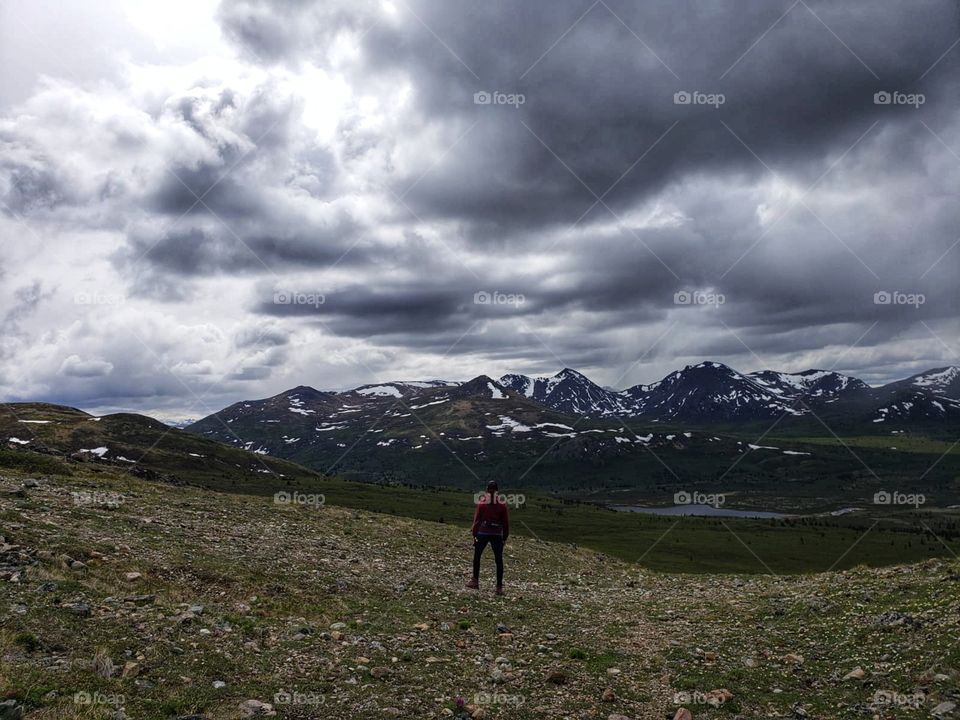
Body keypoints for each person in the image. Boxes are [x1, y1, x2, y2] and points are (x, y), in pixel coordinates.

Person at [466, 480, 509, 594]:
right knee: (498, 560)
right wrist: (504, 537)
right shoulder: (502, 505)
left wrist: (474, 535)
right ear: (497, 491)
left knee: (477, 556)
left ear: (486, 490)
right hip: (496, 534)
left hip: (483, 532)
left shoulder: (482, 503)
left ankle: (475, 581)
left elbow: (477, 520)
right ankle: (499, 587)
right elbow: (505, 523)